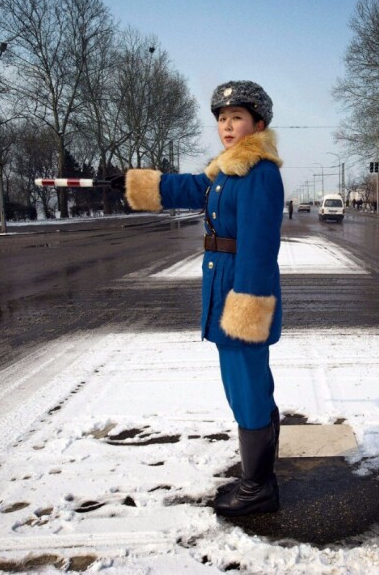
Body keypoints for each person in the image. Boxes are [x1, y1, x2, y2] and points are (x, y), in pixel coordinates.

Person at [121, 80, 283, 517]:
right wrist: (141, 184)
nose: (227, 126)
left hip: (242, 297)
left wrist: (247, 308)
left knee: (247, 389)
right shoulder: (227, 170)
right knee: (245, 387)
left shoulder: (259, 172)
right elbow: (190, 186)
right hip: (225, 291)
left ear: (258, 123)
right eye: (222, 119)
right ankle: (259, 477)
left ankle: (258, 488)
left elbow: (259, 246)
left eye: (237, 118)